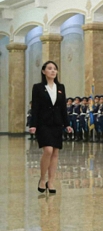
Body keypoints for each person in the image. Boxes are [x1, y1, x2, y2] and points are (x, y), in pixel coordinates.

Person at [29, 60, 73, 194]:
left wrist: (67, 124)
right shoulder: (37, 87)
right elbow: (35, 107)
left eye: (55, 69)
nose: (53, 71)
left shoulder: (61, 87)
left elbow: (62, 108)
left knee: (55, 153)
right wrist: (33, 124)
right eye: (49, 68)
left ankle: (51, 181)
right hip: (43, 123)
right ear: (43, 71)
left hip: (56, 123)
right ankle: (42, 178)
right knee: (47, 150)